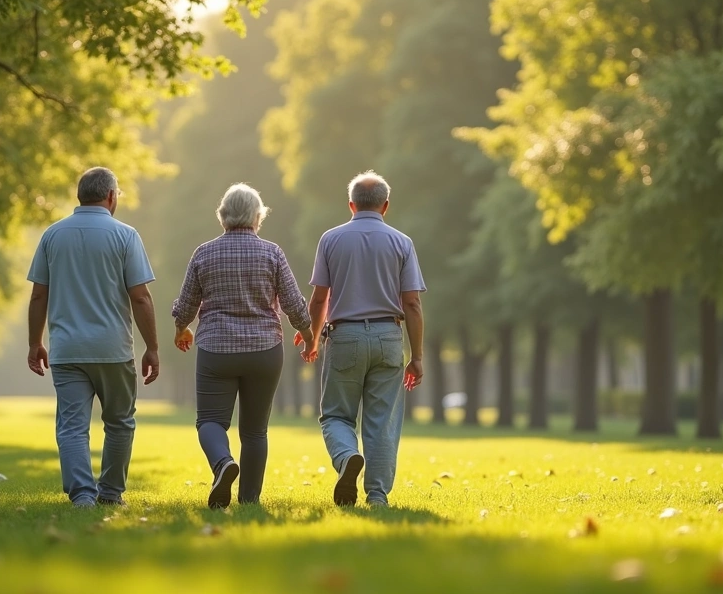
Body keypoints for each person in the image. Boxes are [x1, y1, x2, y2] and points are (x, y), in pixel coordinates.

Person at [172, 183, 314, 509]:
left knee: (210, 421)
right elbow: (293, 304)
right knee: (254, 432)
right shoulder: (272, 252)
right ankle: (249, 503)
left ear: (222, 216)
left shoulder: (203, 253)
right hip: (264, 351)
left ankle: (223, 464)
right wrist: (308, 337)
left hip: (215, 350)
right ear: (257, 216)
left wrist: (182, 329)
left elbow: (187, 305)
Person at [26, 167, 160, 509]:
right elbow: (141, 297)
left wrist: (34, 343)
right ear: (111, 197)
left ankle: (82, 496)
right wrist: (152, 347)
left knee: (72, 426)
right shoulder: (126, 235)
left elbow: (38, 295)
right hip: (113, 349)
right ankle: (111, 494)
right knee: (119, 423)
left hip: (67, 350)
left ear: (79, 196)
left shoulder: (52, 235)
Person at [302, 171, 426, 507]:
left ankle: (346, 458)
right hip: (389, 337)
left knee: (336, 416)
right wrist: (416, 356)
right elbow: (412, 303)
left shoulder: (331, 239)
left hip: (344, 336)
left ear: (351, 204)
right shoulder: (402, 242)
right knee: (381, 422)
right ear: (385, 206)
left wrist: (312, 339)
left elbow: (318, 299)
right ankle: (377, 496)